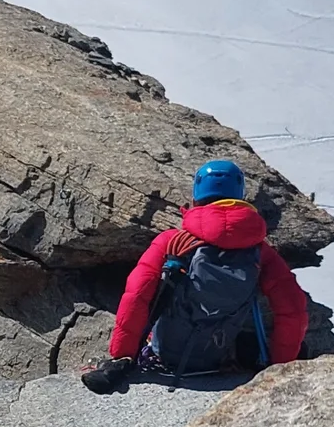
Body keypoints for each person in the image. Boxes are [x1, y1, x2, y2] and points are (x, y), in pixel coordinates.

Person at [84, 160, 308, 391]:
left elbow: (137, 294)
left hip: (164, 355)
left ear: (195, 200)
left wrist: (122, 354)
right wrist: (281, 364)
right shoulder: (260, 252)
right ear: (241, 198)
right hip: (217, 356)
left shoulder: (172, 241)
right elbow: (293, 309)